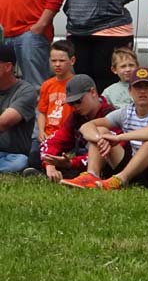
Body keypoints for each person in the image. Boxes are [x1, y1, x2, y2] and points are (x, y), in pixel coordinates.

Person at [68, 67, 148, 190]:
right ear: (130, 91)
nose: (142, 91)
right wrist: (100, 139)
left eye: (147, 87)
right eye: (138, 87)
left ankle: (120, 180)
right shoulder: (126, 111)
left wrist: (119, 137)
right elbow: (86, 126)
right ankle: (91, 176)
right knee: (101, 131)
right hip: (136, 168)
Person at [41, 73, 112, 182]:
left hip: (110, 166)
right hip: (81, 163)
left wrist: (72, 163)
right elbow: (52, 142)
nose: (75, 106)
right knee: (35, 155)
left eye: (78, 101)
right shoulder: (76, 116)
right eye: (71, 103)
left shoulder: (110, 115)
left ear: (93, 92)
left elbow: (107, 154)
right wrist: (50, 165)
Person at [0, 41, 39, 174]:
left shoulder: (26, 91)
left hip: (12, 154)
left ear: (8, 67)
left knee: (19, 163)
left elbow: (4, 123)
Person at [34, 39, 76, 163]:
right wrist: (41, 131)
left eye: (62, 61)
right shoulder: (47, 85)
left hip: (67, 135)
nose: (57, 64)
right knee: (33, 158)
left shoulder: (76, 83)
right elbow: (42, 111)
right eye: (53, 61)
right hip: (48, 134)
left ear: (72, 61)